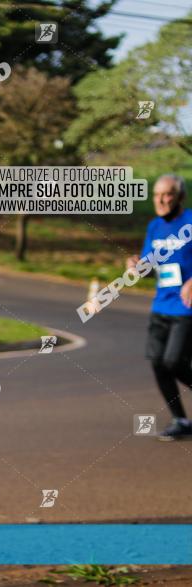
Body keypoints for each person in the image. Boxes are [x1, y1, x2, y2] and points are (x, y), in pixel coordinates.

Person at [126, 174, 192, 440]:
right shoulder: (154, 226)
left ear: (180, 197)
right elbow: (147, 265)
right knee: (158, 362)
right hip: (161, 305)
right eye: (157, 195)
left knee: (174, 361)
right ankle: (181, 420)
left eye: (168, 194)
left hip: (187, 309)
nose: (162, 200)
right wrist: (134, 266)